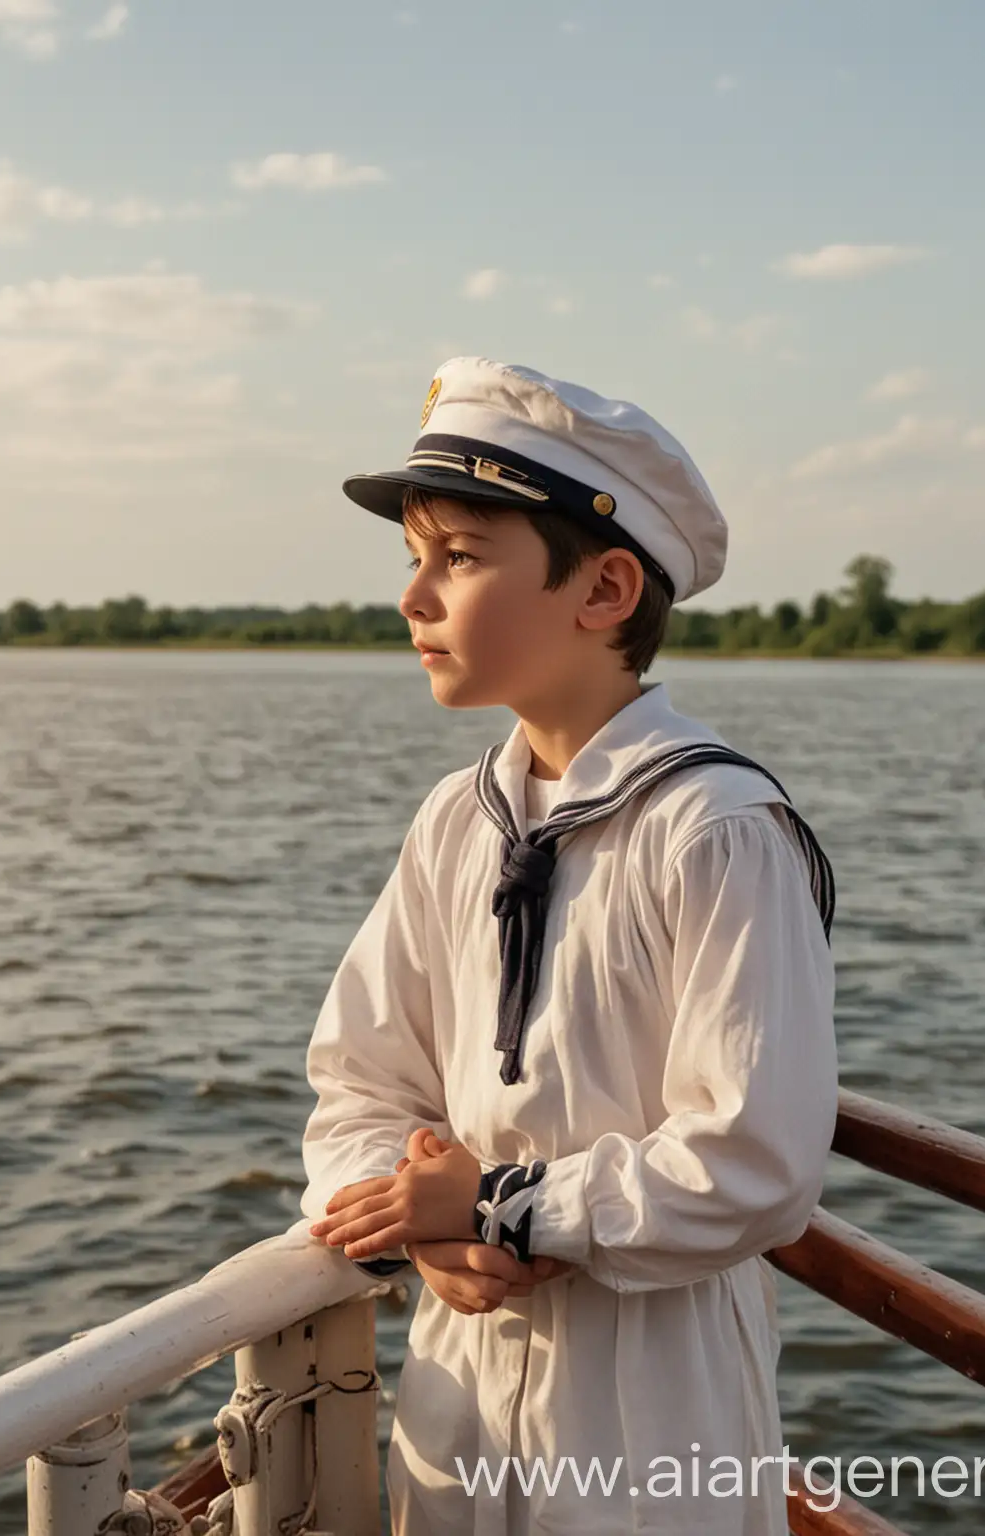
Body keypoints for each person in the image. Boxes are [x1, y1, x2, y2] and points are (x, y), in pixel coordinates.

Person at [299, 356, 838, 1534]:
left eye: (461, 559)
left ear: (603, 591)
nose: (414, 599)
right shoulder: (458, 820)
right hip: (460, 1383)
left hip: (646, 1391)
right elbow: (357, 1082)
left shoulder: (716, 829)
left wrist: (500, 1206)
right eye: (413, 560)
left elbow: (760, 1159)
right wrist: (413, 1222)